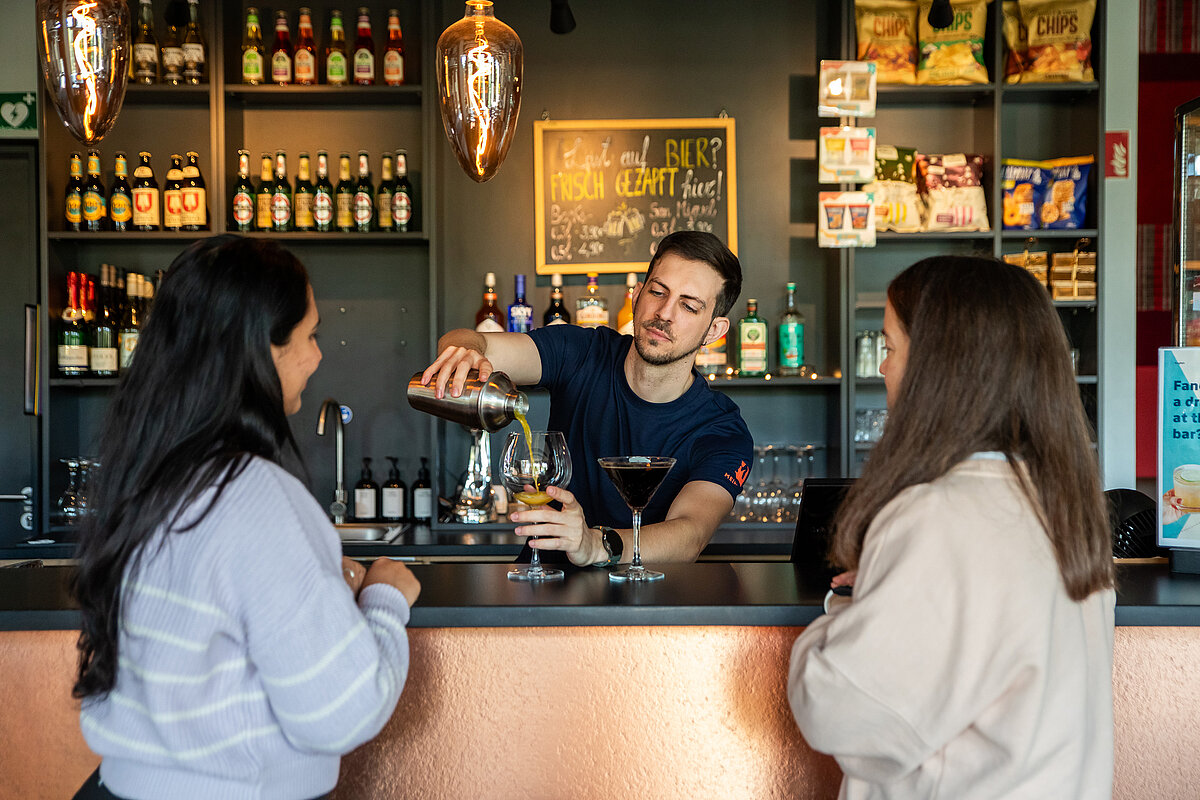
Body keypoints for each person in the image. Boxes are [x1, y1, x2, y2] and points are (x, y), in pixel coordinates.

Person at [71, 236, 421, 800]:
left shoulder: (144, 475)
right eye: (309, 335)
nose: (318, 356)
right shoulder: (256, 496)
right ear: (261, 348)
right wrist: (385, 597)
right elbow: (341, 711)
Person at [788, 256, 1116, 799]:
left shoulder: (936, 516)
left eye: (890, 347)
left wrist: (838, 615)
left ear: (940, 367)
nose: (883, 369)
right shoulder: (1064, 508)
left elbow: (840, 713)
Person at [421, 231, 754, 567]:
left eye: (689, 305)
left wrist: (596, 544)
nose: (665, 312)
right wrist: (463, 352)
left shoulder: (721, 429)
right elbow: (477, 341)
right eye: (657, 292)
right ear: (638, 295)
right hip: (544, 591)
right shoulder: (583, 352)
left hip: (653, 607)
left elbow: (691, 534)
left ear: (714, 331)